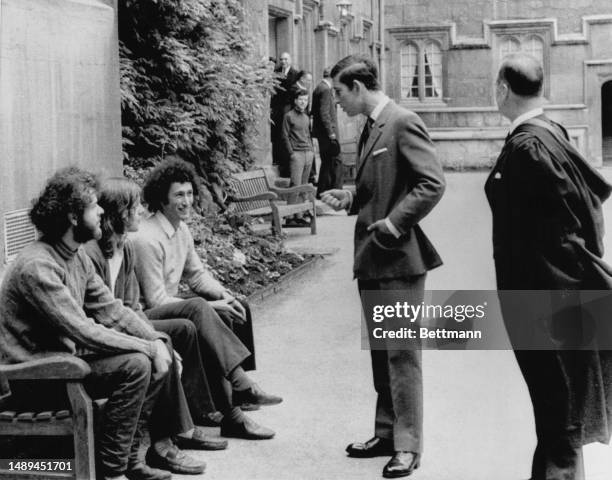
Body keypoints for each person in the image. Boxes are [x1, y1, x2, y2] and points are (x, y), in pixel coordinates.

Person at [0, 167, 173, 480]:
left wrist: (156, 341)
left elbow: (110, 309)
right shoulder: (37, 266)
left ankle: (126, 461)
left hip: (62, 364)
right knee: (136, 363)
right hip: (33, 378)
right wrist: (147, 347)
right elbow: (82, 329)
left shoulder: (74, 256)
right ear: (72, 216)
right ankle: (113, 471)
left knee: (157, 349)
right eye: (94, 206)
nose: (102, 211)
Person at [487, 52, 612, 480]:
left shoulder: (528, 147)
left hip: (543, 305)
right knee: (557, 417)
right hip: (558, 299)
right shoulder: (552, 132)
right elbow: (585, 218)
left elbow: (557, 239)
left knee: (560, 422)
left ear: (503, 89)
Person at [321, 54, 445, 478]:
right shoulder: (373, 125)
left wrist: (394, 222)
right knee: (381, 352)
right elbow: (380, 186)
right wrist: (351, 198)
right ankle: (387, 432)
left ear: (358, 87)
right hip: (374, 259)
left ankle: (408, 447)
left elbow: (432, 183)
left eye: (339, 92)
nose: (336, 101)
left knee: (401, 356)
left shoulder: (402, 121)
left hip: (399, 260)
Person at [84, 177, 228, 475]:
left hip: (120, 326)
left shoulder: (126, 248)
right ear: (119, 213)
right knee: (157, 349)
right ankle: (161, 445)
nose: (141, 212)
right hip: (99, 338)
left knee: (174, 335)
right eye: (135, 207)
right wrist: (150, 344)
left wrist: (155, 340)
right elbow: (98, 315)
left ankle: (184, 427)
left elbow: (132, 306)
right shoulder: (93, 255)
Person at [131, 158, 282, 440]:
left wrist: (225, 296)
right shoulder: (147, 238)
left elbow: (197, 275)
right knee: (201, 309)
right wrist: (211, 305)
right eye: (179, 195)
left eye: (189, 193)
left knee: (236, 306)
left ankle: (237, 396)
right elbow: (155, 300)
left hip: (172, 305)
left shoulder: (181, 229)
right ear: (162, 199)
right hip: (147, 314)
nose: (187, 201)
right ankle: (240, 385)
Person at [282, 88, 315, 222]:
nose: (303, 102)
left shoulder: (306, 117)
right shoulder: (288, 116)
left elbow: (308, 135)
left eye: (305, 100)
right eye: (300, 99)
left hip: (308, 153)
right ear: (295, 100)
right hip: (297, 154)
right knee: (295, 185)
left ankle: (300, 214)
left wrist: (312, 151)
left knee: (304, 185)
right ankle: (289, 215)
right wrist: (291, 153)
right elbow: (284, 136)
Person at [312, 67, 343, 196]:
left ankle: (323, 191)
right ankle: (336, 192)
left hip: (322, 133)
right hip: (327, 133)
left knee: (327, 162)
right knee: (336, 161)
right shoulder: (325, 89)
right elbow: (324, 113)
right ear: (332, 77)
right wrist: (331, 133)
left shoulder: (319, 87)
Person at [271, 52, 301, 177]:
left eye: (286, 59)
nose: (283, 62)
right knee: (277, 135)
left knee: (287, 134)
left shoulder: (295, 74)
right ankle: (278, 161)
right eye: (281, 59)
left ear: (290, 60)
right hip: (277, 108)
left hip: (288, 107)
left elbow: (296, 93)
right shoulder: (276, 71)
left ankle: (288, 166)